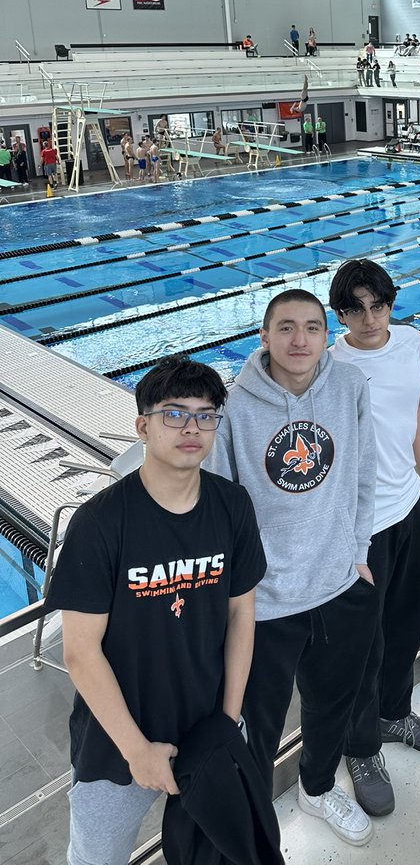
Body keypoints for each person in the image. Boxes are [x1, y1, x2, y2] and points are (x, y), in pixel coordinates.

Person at [45, 356, 267, 865]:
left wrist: (228, 723)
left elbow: (241, 618)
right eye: (174, 413)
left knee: (220, 853)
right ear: (142, 425)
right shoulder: (100, 523)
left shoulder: (233, 506)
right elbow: (80, 653)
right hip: (115, 743)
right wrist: (136, 750)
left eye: (206, 414)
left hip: (209, 726)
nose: (192, 427)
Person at [208, 289, 380, 847]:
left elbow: (361, 473)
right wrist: (236, 594)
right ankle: (259, 827)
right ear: (263, 336)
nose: (299, 339)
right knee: (258, 729)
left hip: (337, 583)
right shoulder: (234, 408)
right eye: (285, 327)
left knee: (333, 706)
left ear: (326, 334)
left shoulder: (349, 387)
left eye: (311, 326)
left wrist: (359, 553)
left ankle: (319, 787)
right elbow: (219, 502)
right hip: (266, 601)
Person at [328, 261, 420, 819]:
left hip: (405, 508)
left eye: (379, 305)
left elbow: (419, 412)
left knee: (406, 622)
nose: (370, 318)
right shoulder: (331, 365)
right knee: (362, 644)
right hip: (360, 525)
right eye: (356, 309)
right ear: (340, 314)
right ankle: (360, 749)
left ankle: (394, 713)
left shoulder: (410, 341)